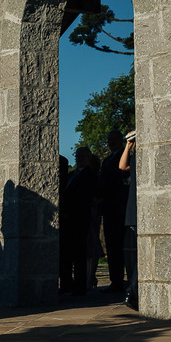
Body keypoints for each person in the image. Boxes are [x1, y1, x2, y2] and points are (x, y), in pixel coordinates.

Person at [59, 147, 97, 296]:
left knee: (79, 253)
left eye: (82, 157)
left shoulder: (90, 175)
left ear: (88, 158)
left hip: (80, 217)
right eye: (77, 157)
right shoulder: (71, 174)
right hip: (67, 218)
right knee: (65, 253)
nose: (79, 159)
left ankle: (79, 285)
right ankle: (66, 283)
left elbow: (88, 194)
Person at [97, 130, 129, 293]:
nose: (111, 143)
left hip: (120, 206)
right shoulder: (107, 160)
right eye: (109, 140)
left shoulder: (125, 155)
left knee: (124, 245)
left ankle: (128, 279)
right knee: (112, 245)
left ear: (120, 140)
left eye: (114, 140)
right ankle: (115, 280)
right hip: (109, 207)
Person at [119, 132, 138, 309]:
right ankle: (133, 292)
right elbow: (122, 166)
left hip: (139, 210)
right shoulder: (135, 157)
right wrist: (128, 145)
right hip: (133, 211)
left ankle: (132, 292)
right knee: (133, 256)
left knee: (140, 256)